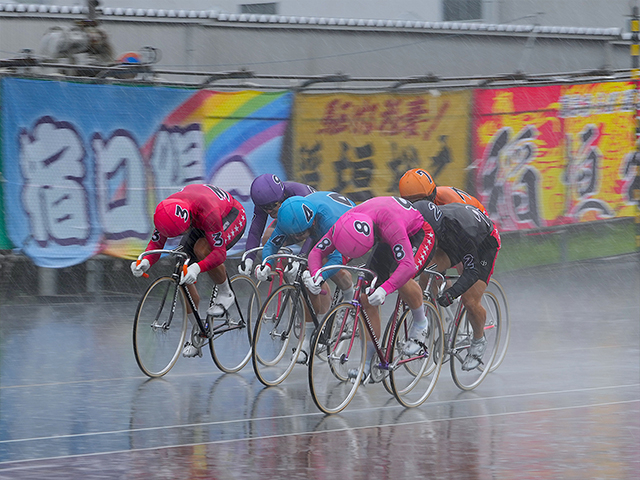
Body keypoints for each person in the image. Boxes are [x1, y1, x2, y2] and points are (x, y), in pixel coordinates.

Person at [306, 196, 438, 381]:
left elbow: (407, 266)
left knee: (401, 277)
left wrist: (385, 289)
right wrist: (316, 275)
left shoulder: (391, 225)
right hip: (383, 235)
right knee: (365, 299)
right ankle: (368, 364)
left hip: (417, 232)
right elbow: (316, 252)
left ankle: (421, 322)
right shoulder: (342, 224)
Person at [130, 184, 246, 358]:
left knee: (201, 249)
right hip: (198, 219)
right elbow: (156, 243)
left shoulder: (207, 211)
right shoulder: (166, 211)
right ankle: (199, 331)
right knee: (180, 260)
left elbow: (219, 253)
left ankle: (226, 292)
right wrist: (145, 261)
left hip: (229, 215)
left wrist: (197, 267)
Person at [255, 191, 356, 363]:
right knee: (308, 276)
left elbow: (337, 257)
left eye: (302, 233)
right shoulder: (288, 217)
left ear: (312, 222)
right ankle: (308, 339)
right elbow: (271, 245)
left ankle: (350, 298)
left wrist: (320, 275)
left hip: (347, 224)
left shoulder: (326, 220)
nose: (299, 238)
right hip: (316, 225)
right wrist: (266, 264)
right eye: (296, 235)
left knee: (325, 261)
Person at [412, 200, 501, 371]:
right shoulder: (429, 222)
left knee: (470, 300)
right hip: (451, 236)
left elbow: (471, 272)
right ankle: (429, 316)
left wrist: (452, 293)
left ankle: (478, 341)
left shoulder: (462, 233)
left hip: (483, 243)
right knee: (426, 270)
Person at [238, 173, 315, 276]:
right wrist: (249, 259)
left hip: (316, 225)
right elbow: (255, 232)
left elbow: (314, 233)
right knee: (268, 238)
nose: (270, 210)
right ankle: (291, 281)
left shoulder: (300, 194)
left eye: (274, 205)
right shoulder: (264, 200)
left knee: (314, 263)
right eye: (265, 208)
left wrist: (301, 259)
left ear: (283, 195)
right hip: (290, 222)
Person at [398, 167, 488, 215]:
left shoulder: (451, 204)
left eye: (421, 201)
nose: (419, 206)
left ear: (433, 194)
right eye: (412, 202)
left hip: (477, 219)